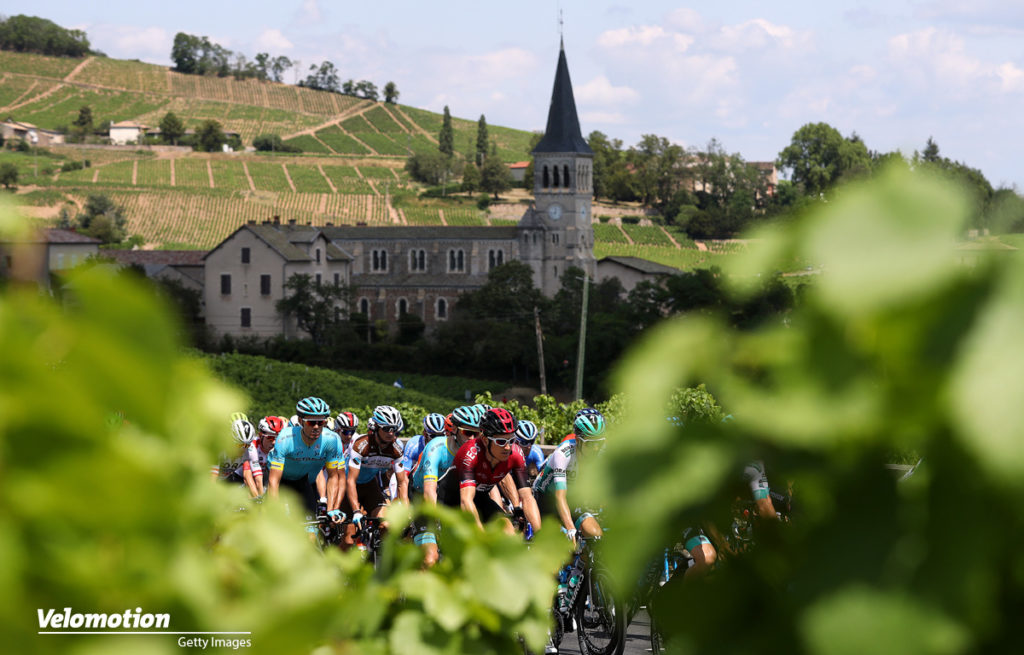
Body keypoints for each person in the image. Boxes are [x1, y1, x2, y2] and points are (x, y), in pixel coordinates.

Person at [410, 410, 479, 567]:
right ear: (454, 430)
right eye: (468, 433)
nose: (473, 439)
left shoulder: (475, 451)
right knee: (430, 558)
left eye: (478, 434)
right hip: (423, 498)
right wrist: (437, 521)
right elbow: (429, 491)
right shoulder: (436, 448)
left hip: (448, 498)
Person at [456, 408, 541, 534]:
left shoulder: (515, 454)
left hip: (481, 499)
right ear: (485, 440)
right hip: (453, 501)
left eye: (511, 441)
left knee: (508, 532)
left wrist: (539, 534)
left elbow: (527, 497)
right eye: (501, 442)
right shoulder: (470, 453)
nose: (507, 447)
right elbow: (465, 500)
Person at [267, 397, 347, 527]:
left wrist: (332, 509)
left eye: (321, 423)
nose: (316, 427)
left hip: (303, 482)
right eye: (311, 423)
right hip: (281, 482)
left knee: (311, 532)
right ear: (300, 421)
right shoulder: (285, 438)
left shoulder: (331, 440)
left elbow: (333, 477)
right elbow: (273, 481)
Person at [532, 408, 607, 543]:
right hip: (545, 499)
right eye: (591, 443)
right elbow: (560, 496)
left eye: (599, 442)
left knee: (595, 534)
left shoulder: (601, 453)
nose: (596, 448)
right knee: (557, 544)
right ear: (578, 440)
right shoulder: (564, 453)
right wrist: (571, 529)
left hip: (571, 500)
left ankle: (583, 564)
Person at [345, 405, 405, 532]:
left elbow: (402, 482)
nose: (391, 433)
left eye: (394, 429)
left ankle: (376, 551)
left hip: (369, 484)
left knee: (386, 525)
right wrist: (356, 511)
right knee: (349, 539)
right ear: (377, 427)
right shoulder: (361, 445)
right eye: (387, 428)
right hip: (348, 485)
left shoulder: (396, 449)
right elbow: (351, 481)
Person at [396, 413, 447, 504]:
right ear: (425, 434)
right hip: (416, 483)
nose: (438, 439)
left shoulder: (448, 444)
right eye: (434, 436)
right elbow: (404, 476)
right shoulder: (415, 444)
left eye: (442, 435)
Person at [211, 418, 263, 498]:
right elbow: (212, 480)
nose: (243, 449)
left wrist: (259, 499)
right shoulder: (220, 450)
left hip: (223, 481)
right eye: (239, 445)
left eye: (247, 445)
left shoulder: (250, 451)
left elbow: (250, 477)